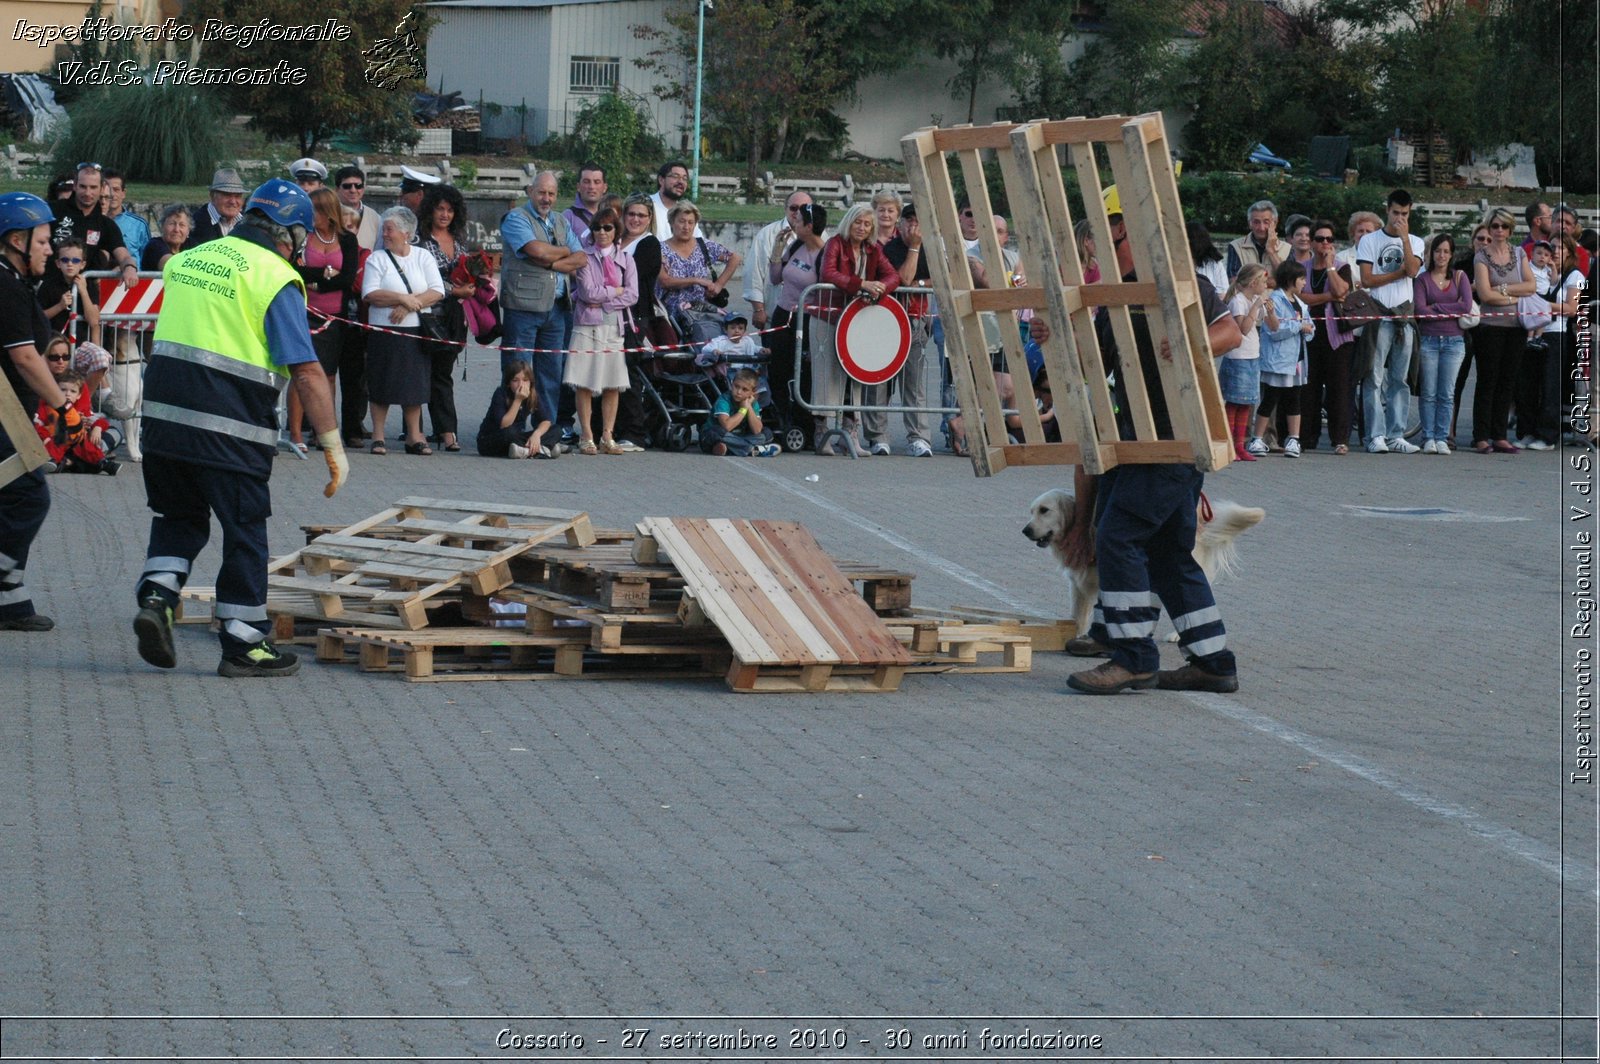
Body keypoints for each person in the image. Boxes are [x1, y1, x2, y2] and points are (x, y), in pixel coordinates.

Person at [132, 179, 348, 677]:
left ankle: (158, 597)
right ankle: (245, 643)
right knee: (245, 530)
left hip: (162, 422)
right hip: (230, 428)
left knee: (178, 517)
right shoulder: (273, 276)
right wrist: (333, 446)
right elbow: (308, 371)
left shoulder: (188, 261)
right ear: (289, 235)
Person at [1062, 188, 1245, 694]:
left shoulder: (1175, 285)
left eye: (1103, 234)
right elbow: (1091, 362)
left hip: (1171, 442)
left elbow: (1229, 332)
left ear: (1128, 229)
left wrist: (1191, 343)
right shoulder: (1115, 294)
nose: (1097, 247)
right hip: (1137, 442)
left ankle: (1133, 656)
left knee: (1118, 538)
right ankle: (1212, 661)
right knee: (1168, 555)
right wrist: (1049, 338)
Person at [0, 191, 69, 632]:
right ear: (17, 240)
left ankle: (10, 599)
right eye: (43, 242)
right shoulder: (3, 284)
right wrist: (66, 408)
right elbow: (25, 357)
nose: (50, 249)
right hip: (3, 410)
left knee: (13, 497)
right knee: (29, 495)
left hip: (11, 410)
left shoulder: (14, 280)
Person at [498, 171, 586, 428]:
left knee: (551, 374)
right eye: (541, 192)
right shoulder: (515, 218)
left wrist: (550, 261)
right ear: (530, 191)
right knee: (518, 373)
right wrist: (564, 252)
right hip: (523, 308)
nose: (546, 198)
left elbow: (581, 258)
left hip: (557, 310)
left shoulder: (560, 220)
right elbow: (534, 249)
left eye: (551, 193)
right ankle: (512, 429)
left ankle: (545, 429)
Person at [362, 205, 445, 456]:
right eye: (384, 229)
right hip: (384, 331)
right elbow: (371, 293)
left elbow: (437, 290)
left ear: (406, 233)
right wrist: (403, 298)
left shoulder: (422, 257)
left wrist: (408, 306)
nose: (384, 234)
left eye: (390, 229)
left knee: (414, 386)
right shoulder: (376, 258)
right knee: (381, 383)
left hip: (415, 331)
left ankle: (414, 436)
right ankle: (378, 436)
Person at [817, 202, 898, 455]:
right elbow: (828, 273)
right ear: (849, 222)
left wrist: (879, 288)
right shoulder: (835, 244)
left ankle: (850, 433)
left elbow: (893, 276)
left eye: (867, 224)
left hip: (857, 322)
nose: (862, 228)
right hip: (827, 316)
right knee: (825, 376)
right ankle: (822, 434)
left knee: (855, 377)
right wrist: (862, 283)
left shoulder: (873, 249)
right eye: (858, 222)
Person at [288, 187, 359, 456]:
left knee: (328, 374)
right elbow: (294, 270)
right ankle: (295, 432)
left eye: (315, 210)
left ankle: (324, 431)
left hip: (335, 316)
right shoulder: (302, 237)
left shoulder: (347, 240)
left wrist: (316, 281)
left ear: (329, 213)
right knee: (301, 372)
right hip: (304, 312)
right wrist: (324, 273)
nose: (310, 215)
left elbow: (347, 278)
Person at [1356, 189, 1424, 454]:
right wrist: (1399, 273)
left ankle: (1396, 433)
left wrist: (1405, 237)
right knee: (1373, 378)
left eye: (1405, 214)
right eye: (1396, 213)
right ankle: (1375, 434)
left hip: (1404, 317)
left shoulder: (1415, 241)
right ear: (1387, 210)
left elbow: (1414, 270)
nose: (1399, 218)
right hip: (1380, 314)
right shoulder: (1370, 241)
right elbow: (1368, 279)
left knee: (1400, 378)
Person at [565, 206, 636, 455]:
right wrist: (614, 291)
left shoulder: (626, 259)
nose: (602, 232)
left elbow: (632, 294)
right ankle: (586, 434)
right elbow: (586, 293)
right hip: (586, 324)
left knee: (612, 383)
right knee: (583, 381)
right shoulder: (583, 257)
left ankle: (608, 434)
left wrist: (605, 299)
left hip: (613, 325)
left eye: (608, 227)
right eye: (597, 227)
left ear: (616, 230)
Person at [1471, 207, 1536, 454]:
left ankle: (1499, 434)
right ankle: (1481, 435)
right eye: (1495, 226)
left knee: (1508, 382)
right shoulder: (1481, 257)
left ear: (1510, 229)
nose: (1499, 231)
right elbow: (1485, 294)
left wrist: (1504, 291)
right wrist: (1513, 294)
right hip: (1490, 327)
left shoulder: (1519, 253)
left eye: (1504, 226)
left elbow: (1531, 286)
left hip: (1516, 326)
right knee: (1488, 380)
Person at [416, 184, 472, 452]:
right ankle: (416, 431)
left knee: (442, 375)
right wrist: (453, 289)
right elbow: (419, 278)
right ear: (431, 209)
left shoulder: (459, 240)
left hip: (453, 318)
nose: (445, 215)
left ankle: (447, 431)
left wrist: (474, 285)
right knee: (420, 373)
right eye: (440, 208)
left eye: (450, 210)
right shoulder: (420, 240)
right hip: (426, 316)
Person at [768, 202, 827, 449]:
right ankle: (781, 419)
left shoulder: (824, 254)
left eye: (798, 220)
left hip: (807, 318)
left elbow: (825, 294)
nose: (793, 222)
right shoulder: (796, 245)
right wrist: (777, 250)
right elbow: (776, 278)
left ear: (809, 226)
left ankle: (807, 426)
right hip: (784, 314)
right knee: (778, 370)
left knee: (803, 373)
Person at [1411, 232, 1472, 455]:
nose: (1442, 255)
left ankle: (1442, 436)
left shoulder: (1460, 277)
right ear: (1431, 253)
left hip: (1454, 342)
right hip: (1428, 340)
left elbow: (1465, 306)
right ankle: (1428, 437)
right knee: (1428, 392)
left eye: (1446, 251)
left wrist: (1435, 307)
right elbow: (1420, 311)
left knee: (1447, 393)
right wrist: (1447, 309)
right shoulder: (1422, 280)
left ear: (1452, 254)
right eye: (1438, 251)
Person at [1298, 219, 1355, 453]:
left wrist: (1330, 267)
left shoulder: (1342, 266)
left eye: (1329, 239)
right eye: (1320, 239)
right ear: (1311, 242)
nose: (1325, 243)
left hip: (1337, 336)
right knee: (1309, 386)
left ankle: (1339, 439)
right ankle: (1307, 437)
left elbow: (1342, 290)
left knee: (1338, 387)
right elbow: (1302, 297)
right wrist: (1329, 297)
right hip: (1311, 334)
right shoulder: (1304, 268)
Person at [1248, 259, 1314, 458]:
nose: (1304, 283)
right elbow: (1273, 330)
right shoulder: (1274, 300)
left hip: (1297, 359)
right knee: (1270, 398)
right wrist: (1298, 327)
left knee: (1295, 398)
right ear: (1291, 279)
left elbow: (1309, 325)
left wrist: (1308, 329)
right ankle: (1257, 439)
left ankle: (1294, 439)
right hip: (1278, 360)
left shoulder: (1301, 303)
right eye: (1301, 279)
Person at [51, 162, 139, 282]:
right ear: (75, 185)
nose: (88, 193)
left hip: (86, 294)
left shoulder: (106, 224)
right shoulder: (53, 211)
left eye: (93, 187)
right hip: (50, 292)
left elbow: (123, 255)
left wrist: (129, 267)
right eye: (83, 186)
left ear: (102, 188)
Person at [657, 200, 740, 322]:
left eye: (691, 222)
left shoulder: (703, 245)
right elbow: (665, 281)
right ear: (671, 222)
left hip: (700, 314)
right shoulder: (660, 249)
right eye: (681, 221)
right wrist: (696, 280)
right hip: (669, 315)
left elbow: (734, 258)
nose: (686, 227)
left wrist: (718, 285)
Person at [744, 191, 812, 334]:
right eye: (794, 208)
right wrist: (758, 309)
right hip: (773, 314)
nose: (798, 213)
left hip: (808, 315)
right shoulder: (767, 234)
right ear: (785, 209)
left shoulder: (821, 236)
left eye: (804, 208)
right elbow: (754, 273)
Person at [1219, 263, 1268, 461]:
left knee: (1246, 403)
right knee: (1234, 402)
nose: (1266, 285)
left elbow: (1272, 325)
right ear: (1253, 282)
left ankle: (1240, 445)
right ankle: (1230, 444)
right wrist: (1255, 307)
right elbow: (1244, 329)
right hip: (1238, 358)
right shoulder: (1238, 301)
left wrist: (1269, 311)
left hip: (1252, 357)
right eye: (1264, 281)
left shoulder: (1254, 299)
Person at [35, 371, 117, 475]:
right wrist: (46, 437)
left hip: (77, 444)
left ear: (79, 396)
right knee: (57, 442)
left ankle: (101, 462)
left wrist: (97, 428)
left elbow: (98, 421)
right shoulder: (47, 407)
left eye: (72, 391)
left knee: (101, 438)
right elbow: (36, 424)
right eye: (63, 390)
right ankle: (57, 462)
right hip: (55, 441)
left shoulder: (80, 410)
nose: (67, 394)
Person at [476, 361, 555, 458]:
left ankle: (526, 450)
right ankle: (541, 449)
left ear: (531, 382)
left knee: (556, 430)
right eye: (515, 380)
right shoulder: (500, 394)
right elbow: (504, 425)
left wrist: (536, 435)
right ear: (508, 383)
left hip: (517, 437)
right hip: (493, 439)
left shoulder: (532, 395)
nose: (521, 384)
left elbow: (546, 421)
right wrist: (518, 400)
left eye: (525, 380)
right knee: (510, 432)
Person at [700, 367, 779, 456]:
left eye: (745, 389)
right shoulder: (724, 399)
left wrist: (748, 407)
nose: (738, 392)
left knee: (767, 433)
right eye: (736, 386)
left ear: (753, 392)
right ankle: (752, 449)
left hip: (736, 437)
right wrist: (743, 409)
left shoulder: (753, 404)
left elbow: (757, 430)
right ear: (731, 384)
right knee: (715, 432)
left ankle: (730, 448)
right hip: (716, 436)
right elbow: (727, 427)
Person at [35, 237, 100, 343]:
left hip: (82, 345)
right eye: (65, 260)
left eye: (75, 260)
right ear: (58, 263)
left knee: (100, 356)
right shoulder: (48, 285)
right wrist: (59, 306)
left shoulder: (89, 285)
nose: (70, 264)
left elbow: (93, 321)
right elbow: (39, 318)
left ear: (82, 264)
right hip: (54, 345)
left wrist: (83, 291)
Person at [1225, 199, 1288, 280]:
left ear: (1275, 223)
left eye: (1266, 222)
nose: (1261, 228)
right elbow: (1234, 281)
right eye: (1256, 222)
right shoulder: (1236, 246)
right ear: (1249, 224)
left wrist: (1271, 251)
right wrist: (1274, 282)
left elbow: (1287, 282)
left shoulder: (1288, 248)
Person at [696, 310, 768, 379]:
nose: (737, 331)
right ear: (725, 329)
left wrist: (761, 350)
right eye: (733, 328)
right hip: (729, 371)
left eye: (740, 328)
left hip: (747, 370)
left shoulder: (747, 340)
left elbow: (754, 347)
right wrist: (714, 350)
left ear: (744, 331)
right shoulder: (720, 341)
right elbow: (706, 349)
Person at [102, 170, 149, 267]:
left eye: (116, 189)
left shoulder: (139, 225)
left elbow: (147, 259)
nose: (112, 194)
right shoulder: (92, 222)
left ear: (123, 193)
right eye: (108, 189)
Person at [189, 168, 247, 245]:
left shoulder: (248, 222)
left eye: (237, 196)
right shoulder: (194, 224)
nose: (233, 202)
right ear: (212, 196)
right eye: (227, 195)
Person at [333, 165, 380, 251]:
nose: (353, 190)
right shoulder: (329, 214)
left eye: (358, 186)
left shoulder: (375, 218)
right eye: (347, 186)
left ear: (363, 189)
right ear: (336, 189)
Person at [649, 160, 698, 242]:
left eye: (684, 178)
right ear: (661, 180)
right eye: (675, 177)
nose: (681, 182)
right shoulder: (646, 205)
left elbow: (697, 242)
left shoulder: (686, 211)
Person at [563, 161, 607, 245]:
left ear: (604, 187)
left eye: (597, 182)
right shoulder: (567, 217)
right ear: (578, 187)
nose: (591, 187)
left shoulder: (612, 215)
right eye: (586, 182)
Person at [141, 204, 192, 271]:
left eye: (181, 225)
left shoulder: (191, 244)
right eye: (172, 224)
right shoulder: (154, 245)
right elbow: (170, 265)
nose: (176, 229)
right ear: (162, 227)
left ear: (188, 230)